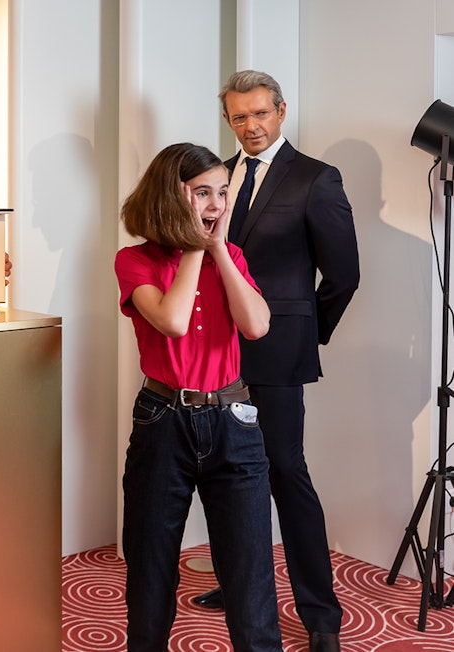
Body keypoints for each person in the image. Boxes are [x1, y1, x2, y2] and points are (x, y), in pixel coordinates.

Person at [194, 70, 359, 652]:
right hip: (217, 351)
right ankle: (240, 584)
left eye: (260, 114)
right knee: (228, 476)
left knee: (287, 475)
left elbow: (343, 275)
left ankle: (321, 615)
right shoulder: (219, 175)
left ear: (281, 112)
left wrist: (304, 332)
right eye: (239, 117)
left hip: (279, 351)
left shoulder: (317, 179)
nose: (250, 126)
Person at [115, 142, 282, 652]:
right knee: (151, 572)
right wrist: (193, 247)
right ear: (173, 196)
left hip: (235, 420)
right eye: (202, 193)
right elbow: (171, 320)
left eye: (223, 192)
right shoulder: (134, 260)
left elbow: (256, 326)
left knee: (251, 576)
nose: (216, 204)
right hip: (163, 420)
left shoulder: (231, 256)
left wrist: (217, 252)